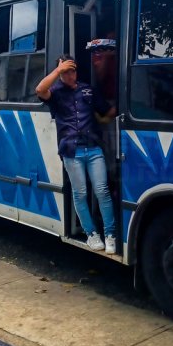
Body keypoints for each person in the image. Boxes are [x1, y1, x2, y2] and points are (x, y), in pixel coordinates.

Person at [35, 53, 117, 253]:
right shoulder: (55, 92)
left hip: (94, 148)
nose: (70, 75)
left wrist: (104, 120)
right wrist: (58, 70)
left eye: (73, 71)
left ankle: (110, 234)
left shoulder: (87, 90)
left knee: (102, 191)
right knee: (80, 193)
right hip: (71, 152)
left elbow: (108, 110)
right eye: (66, 72)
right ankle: (91, 234)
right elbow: (39, 89)